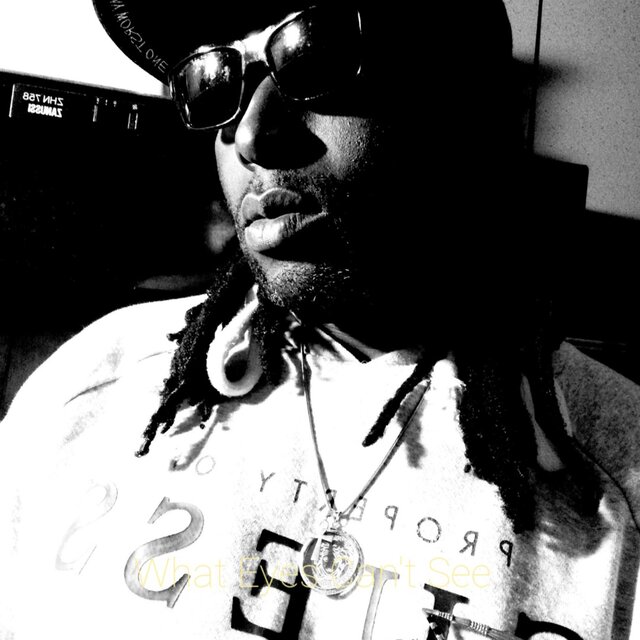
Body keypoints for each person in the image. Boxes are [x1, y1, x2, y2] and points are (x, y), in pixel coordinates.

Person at [0, 1, 638, 638]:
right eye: (213, 81)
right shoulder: (91, 392)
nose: (252, 135)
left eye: (315, 54)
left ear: (459, 102)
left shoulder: (618, 476)